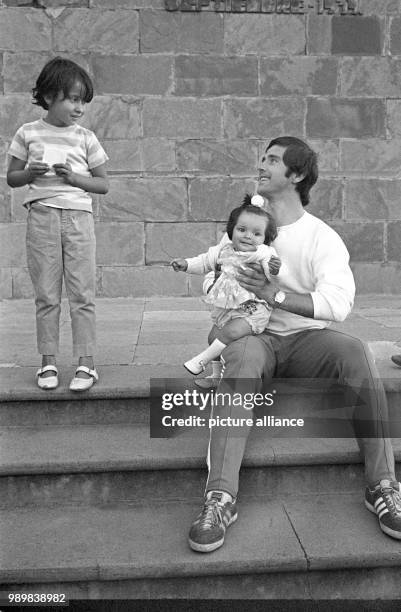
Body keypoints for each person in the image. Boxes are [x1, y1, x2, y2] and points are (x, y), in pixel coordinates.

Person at [188, 136, 401, 553]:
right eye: (263, 158)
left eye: (272, 160)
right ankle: (220, 498)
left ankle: (383, 487)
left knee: (355, 351)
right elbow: (213, 277)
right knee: (244, 359)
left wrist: (275, 295)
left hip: (306, 339)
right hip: (255, 338)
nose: (261, 165)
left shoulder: (321, 237)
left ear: (297, 175)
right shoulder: (247, 225)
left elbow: (338, 303)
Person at [7, 57, 109, 392]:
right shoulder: (28, 132)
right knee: (47, 295)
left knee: (82, 293)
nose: (80, 108)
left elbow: (102, 184)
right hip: (42, 217)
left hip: (78, 218)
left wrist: (76, 178)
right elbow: (12, 178)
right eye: (73, 99)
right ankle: (48, 363)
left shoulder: (86, 138)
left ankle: (86, 364)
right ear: (49, 96)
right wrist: (29, 175)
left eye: (83, 101)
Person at [171, 194, 281, 376]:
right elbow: (205, 262)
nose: (248, 236)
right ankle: (215, 376)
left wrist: (274, 269)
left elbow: (272, 277)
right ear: (232, 230)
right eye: (242, 229)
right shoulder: (224, 250)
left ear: (265, 238)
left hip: (254, 310)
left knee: (230, 332)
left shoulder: (264, 254)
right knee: (213, 337)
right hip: (228, 308)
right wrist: (186, 264)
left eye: (256, 233)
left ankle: (201, 361)